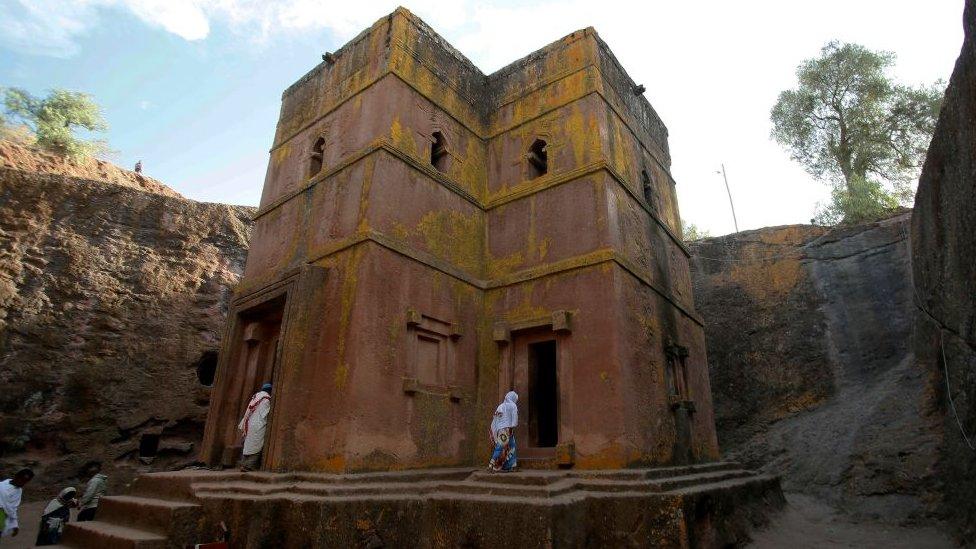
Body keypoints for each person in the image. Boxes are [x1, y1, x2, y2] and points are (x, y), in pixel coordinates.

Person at [238, 382, 272, 471]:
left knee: (248, 445)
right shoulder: (266, 399)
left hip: (249, 423)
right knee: (257, 445)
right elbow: (265, 413)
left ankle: (243, 464)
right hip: (258, 424)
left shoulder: (256, 396)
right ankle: (248, 466)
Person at [487, 391, 519, 472]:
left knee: (503, 446)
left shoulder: (500, 406)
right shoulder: (513, 406)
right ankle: (491, 465)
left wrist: (497, 429)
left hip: (501, 430)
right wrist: (512, 427)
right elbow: (514, 418)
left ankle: (512, 465)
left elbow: (496, 419)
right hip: (509, 429)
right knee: (511, 447)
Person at [0, 468, 34, 539]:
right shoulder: (1, 486)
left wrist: (15, 525)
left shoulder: (18, 491)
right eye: (21, 480)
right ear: (16, 477)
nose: (23, 483)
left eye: (25, 481)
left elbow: (13, 508)